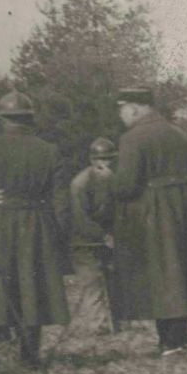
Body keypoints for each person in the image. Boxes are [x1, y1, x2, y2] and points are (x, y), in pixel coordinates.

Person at [0, 92, 71, 367]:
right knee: (31, 287)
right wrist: (59, 240)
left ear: (2, 119)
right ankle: (30, 356)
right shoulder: (49, 150)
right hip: (36, 226)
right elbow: (62, 205)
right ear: (30, 119)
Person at [107, 87, 187, 355]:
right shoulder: (177, 133)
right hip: (184, 206)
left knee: (160, 273)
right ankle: (181, 338)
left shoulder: (133, 138)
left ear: (133, 108)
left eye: (122, 110)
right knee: (182, 269)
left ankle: (168, 341)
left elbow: (126, 186)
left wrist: (107, 178)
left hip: (156, 209)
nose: (122, 116)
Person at [68, 137, 122, 334]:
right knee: (92, 284)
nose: (106, 163)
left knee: (115, 280)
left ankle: (119, 323)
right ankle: (97, 327)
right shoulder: (80, 184)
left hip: (107, 239)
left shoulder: (113, 178)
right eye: (101, 159)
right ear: (92, 160)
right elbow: (80, 218)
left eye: (109, 159)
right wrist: (103, 237)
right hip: (84, 241)